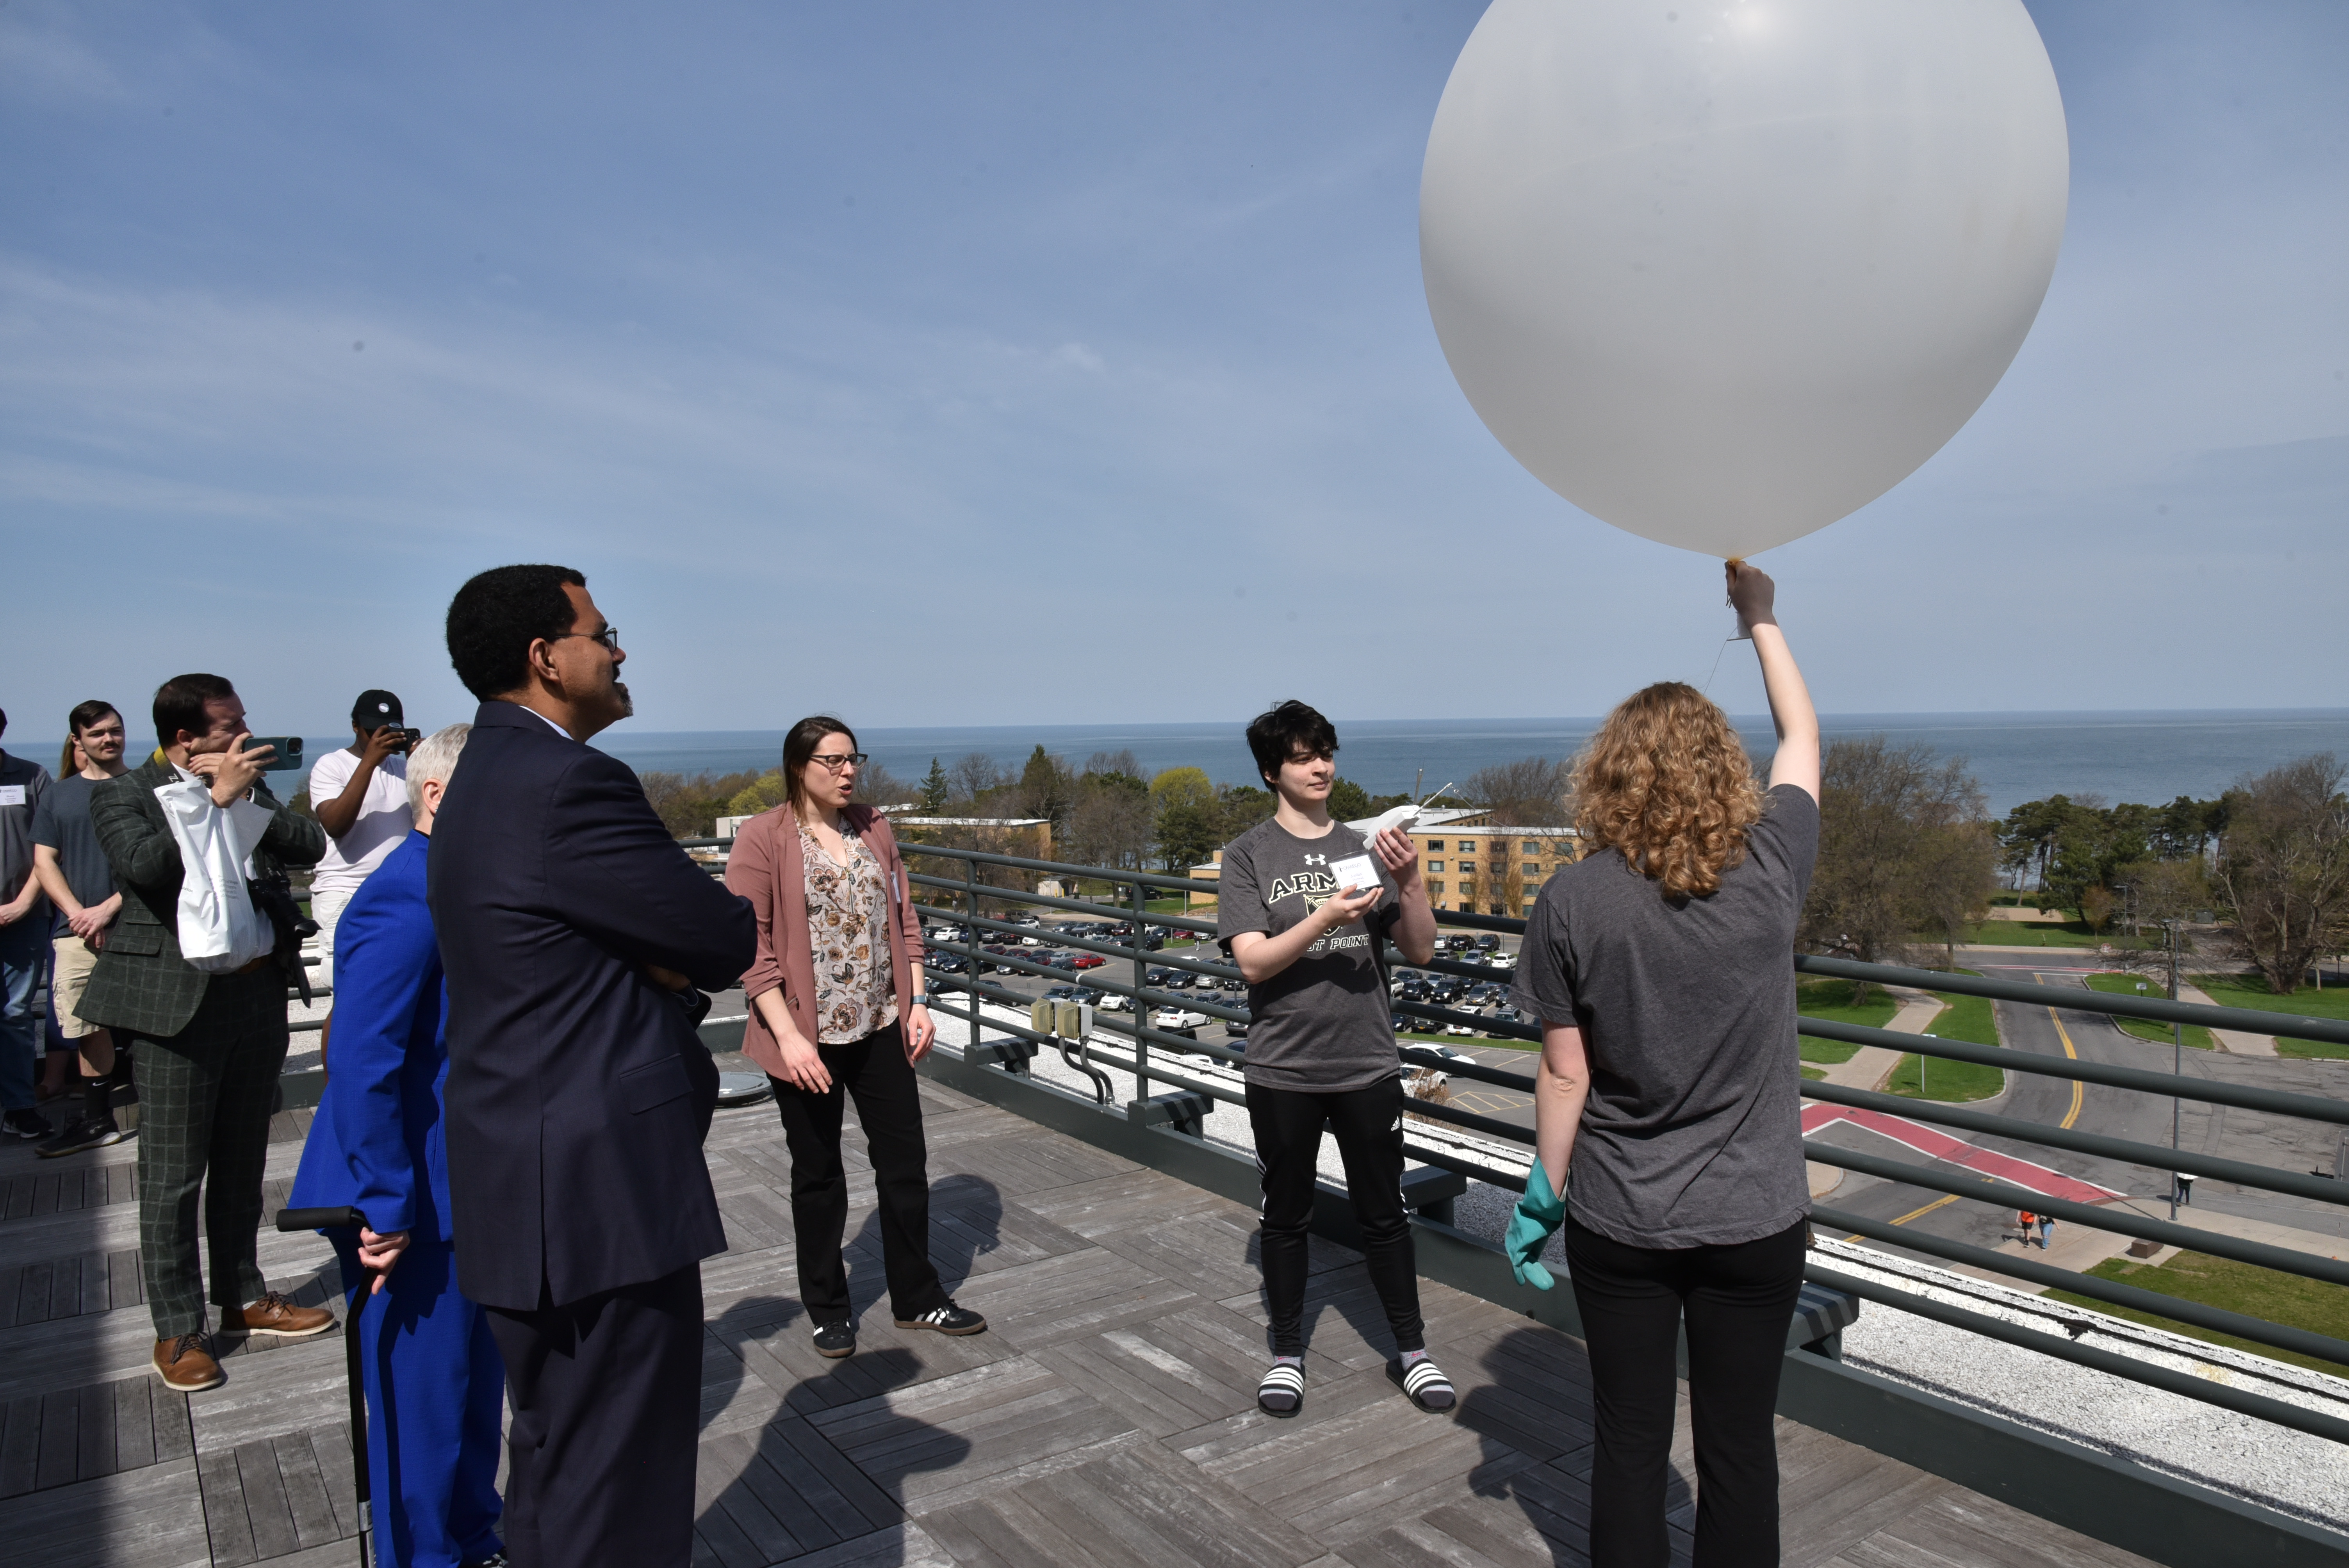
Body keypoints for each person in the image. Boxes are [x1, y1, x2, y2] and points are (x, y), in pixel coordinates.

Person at [428, 564, 755, 1568]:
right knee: (620, 1474)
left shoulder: (480, 773)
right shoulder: (570, 781)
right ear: (545, 657)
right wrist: (660, 950)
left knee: (559, 1457)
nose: (618, 650)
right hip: (597, 1192)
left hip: (519, 1175)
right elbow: (721, 932)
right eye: (601, 630)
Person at [1504, 563, 1820, 1568]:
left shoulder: (1570, 902)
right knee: (1739, 1448)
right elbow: (1806, 743)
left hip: (1623, 1221)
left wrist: (1542, 1190)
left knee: (1629, 1445)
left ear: (1606, 775)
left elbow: (1565, 1075)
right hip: (1756, 1219)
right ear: (1725, 768)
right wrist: (1760, 619)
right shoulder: (1772, 866)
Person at [78, 675, 335, 1392]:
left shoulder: (247, 780)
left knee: (243, 1157)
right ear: (186, 737)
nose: (245, 735)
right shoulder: (123, 794)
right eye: (231, 726)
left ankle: (244, 1295)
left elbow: (308, 841)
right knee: (172, 1175)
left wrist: (244, 792)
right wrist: (208, 801)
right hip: (175, 1008)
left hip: (254, 994)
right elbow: (144, 870)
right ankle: (178, 1327)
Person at [290, 723, 504, 1568]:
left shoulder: (453, 884)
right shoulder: (404, 893)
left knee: (473, 1393)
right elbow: (360, 1057)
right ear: (439, 795)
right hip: (409, 1195)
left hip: (464, 1186)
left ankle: (471, 1537)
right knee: (421, 1410)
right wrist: (384, 1200)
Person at [725, 716, 985, 1361]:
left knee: (905, 1165)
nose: (848, 772)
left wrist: (918, 1001)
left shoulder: (874, 827)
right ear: (798, 766)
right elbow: (747, 948)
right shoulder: (762, 838)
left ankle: (917, 1295)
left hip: (881, 1026)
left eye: (853, 760)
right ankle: (829, 1308)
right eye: (833, 761)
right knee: (818, 1176)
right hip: (804, 1041)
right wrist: (789, 1041)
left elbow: (905, 919)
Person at [1216, 699, 1448, 1418]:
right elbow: (1253, 964)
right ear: (1270, 771)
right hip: (1283, 1066)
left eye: (1325, 751)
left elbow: (1419, 949)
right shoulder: (1248, 854)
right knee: (1286, 1216)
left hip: (1367, 1062)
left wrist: (1408, 882)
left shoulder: (1364, 845)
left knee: (1386, 1213)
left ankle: (1411, 1349)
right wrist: (1324, 915)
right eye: (1301, 756)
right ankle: (1287, 1353)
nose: (1320, 766)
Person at [30, 701, 132, 1156]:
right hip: (76, 932)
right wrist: (78, 913)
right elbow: (44, 860)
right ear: (78, 741)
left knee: (155, 1023)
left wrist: (108, 909)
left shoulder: (146, 789)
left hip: (141, 924)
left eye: (115, 730)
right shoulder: (59, 794)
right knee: (85, 1023)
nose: (109, 739)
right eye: (97, 734)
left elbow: (172, 860)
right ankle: (98, 1120)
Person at [307, 690, 417, 987]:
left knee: (394, 988)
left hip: (397, 892)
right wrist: (368, 763)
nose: (380, 738)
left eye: (390, 730)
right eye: (373, 731)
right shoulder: (332, 765)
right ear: (355, 726)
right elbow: (336, 824)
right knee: (346, 994)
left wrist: (423, 765)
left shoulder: (406, 769)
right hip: (345, 890)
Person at [0, 707, 56, 1141]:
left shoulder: (31, 776)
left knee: (16, 1016)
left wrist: (22, 903)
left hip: (23, 916)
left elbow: (48, 845)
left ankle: (19, 1106)